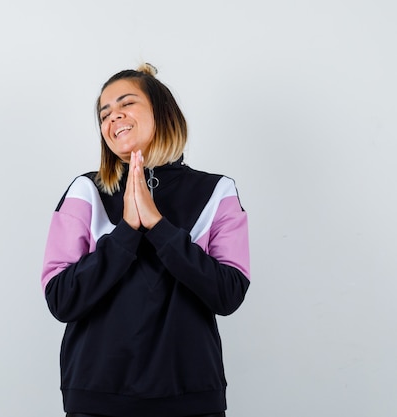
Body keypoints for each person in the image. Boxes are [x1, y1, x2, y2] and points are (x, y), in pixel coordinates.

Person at [41, 63, 250, 417]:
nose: (113, 117)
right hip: (97, 397)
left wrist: (158, 226)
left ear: (162, 112)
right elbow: (61, 299)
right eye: (104, 113)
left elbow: (227, 293)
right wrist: (125, 232)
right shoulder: (85, 191)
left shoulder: (217, 191)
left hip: (190, 396)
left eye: (126, 103)